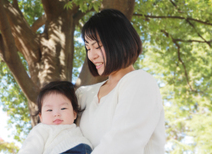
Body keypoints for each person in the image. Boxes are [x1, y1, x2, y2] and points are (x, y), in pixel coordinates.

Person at [76, 9, 166, 154]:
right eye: (88, 48)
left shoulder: (139, 82)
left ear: (119, 41)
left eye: (97, 46)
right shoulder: (83, 95)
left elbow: (122, 144)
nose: (92, 55)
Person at [18, 81, 93, 154]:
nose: (56, 114)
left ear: (74, 114)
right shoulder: (41, 129)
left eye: (63, 108)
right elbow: (29, 149)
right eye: (49, 110)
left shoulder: (80, 126)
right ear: (41, 117)